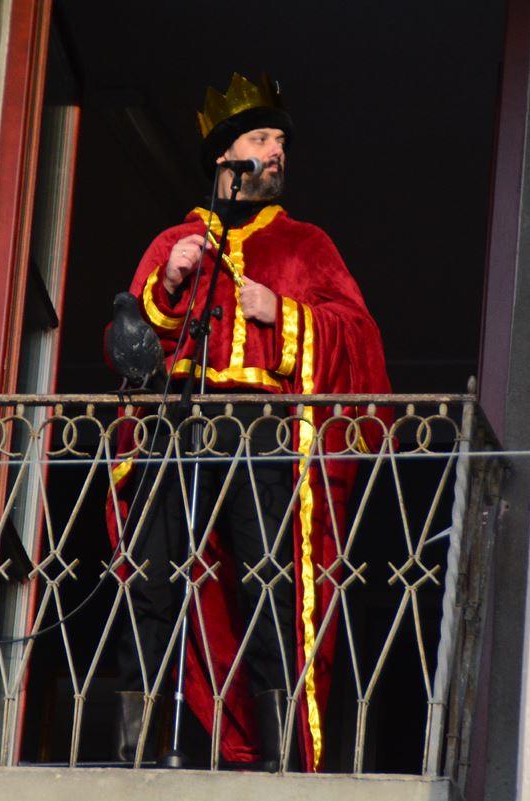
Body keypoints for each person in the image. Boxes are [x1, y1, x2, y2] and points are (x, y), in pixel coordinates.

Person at [105, 72, 392, 772]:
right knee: (152, 577)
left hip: (261, 428)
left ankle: (277, 751)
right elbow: (127, 347)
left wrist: (283, 313)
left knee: (269, 578)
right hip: (179, 422)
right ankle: (135, 746)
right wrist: (170, 284)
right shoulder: (175, 240)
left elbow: (358, 334)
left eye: (280, 141)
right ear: (226, 155)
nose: (277, 151)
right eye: (262, 139)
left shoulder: (306, 245)